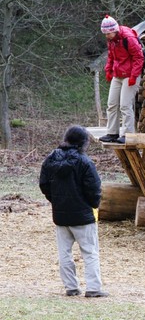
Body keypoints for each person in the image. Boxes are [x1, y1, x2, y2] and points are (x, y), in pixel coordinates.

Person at [38, 125, 107, 298]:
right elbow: (94, 188)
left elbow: (44, 184)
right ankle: (93, 288)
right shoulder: (85, 162)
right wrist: (93, 204)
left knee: (64, 253)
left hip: (61, 215)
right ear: (83, 142)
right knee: (90, 252)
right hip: (83, 215)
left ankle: (71, 287)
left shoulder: (50, 159)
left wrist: (56, 201)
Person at [99, 15, 144, 144]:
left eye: (108, 33)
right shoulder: (111, 40)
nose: (107, 36)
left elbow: (139, 58)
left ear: (115, 30)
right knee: (112, 104)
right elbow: (111, 56)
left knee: (125, 105)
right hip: (117, 74)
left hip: (130, 75)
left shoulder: (128, 38)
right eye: (105, 33)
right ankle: (112, 133)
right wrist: (108, 70)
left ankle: (128, 134)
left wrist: (134, 76)